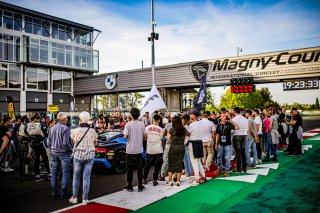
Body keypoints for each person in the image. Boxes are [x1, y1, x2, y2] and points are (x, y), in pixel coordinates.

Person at [69, 111, 98, 205]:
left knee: (76, 177)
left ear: (80, 120)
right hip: (89, 156)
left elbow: (73, 141)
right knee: (86, 178)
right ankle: (85, 199)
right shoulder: (93, 131)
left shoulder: (75, 130)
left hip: (78, 156)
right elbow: (95, 143)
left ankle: (75, 198)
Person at [47, 112, 73, 199]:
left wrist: (52, 149)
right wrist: (71, 149)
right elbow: (66, 143)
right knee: (65, 173)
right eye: (66, 118)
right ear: (63, 119)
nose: (67, 120)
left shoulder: (51, 128)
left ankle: (54, 192)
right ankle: (63, 192)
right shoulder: (65, 128)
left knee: (54, 173)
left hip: (54, 153)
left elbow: (48, 142)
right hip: (63, 153)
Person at [123, 108, 145, 192]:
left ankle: (130, 186)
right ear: (138, 115)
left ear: (131, 115)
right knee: (140, 168)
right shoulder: (142, 124)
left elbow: (125, 136)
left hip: (130, 149)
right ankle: (140, 185)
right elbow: (145, 136)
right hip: (139, 149)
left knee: (129, 168)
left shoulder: (128, 124)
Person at [26, 113, 51, 181]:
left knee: (36, 159)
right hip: (40, 143)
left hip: (33, 143)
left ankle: (37, 175)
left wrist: (32, 137)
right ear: (39, 118)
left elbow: (26, 132)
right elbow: (46, 134)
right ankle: (49, 173)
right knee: (46, 158)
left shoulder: (28, 124)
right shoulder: (41, 124)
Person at [214, 112, 239, 176]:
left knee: (228, 157)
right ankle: (219, 169)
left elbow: (237, 127)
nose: (225, 117)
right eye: (223, 116)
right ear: (220, 118)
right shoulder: (219, 125)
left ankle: (227, 171)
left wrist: (232, 121)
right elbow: (217, 135)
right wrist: (216, 144)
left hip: (228, 143)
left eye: (225, 116)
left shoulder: (229, 124)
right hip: (220, 143)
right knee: (219, 157)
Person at [143, 114, 163, 186]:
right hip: (158, 149)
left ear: (153, 120)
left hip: (150, 149)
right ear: (159, 120)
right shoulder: (161, 129)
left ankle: (144, 179)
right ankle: (154, 180)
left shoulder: (147, 127)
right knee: (157, 166)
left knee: (147, 165)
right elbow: (161, 137)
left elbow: (145, 137)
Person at [188, 109, 206, 185]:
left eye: (190, 114)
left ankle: (197, 178)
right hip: (199, 142)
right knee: (198, 160)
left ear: (193, 115)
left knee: (194, 161)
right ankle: (203, 176)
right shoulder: (202, 123)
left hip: (193, 143)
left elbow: (187, 134)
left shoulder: (192, 124)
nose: (189, 116)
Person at [167, 116, 187, 186]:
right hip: (181, 147)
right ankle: (178, 181)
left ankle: (170, 181)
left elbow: (169, 139)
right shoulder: (184, 129)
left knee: (171, 163)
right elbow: (188, 134)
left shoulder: (172, 129)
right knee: (179, 163)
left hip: (173, 147)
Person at [232, 107, 249, 173]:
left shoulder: (234, 119)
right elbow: (247, 129)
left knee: (238, 153)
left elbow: (233, 129)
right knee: (243, 152)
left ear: (234, 112)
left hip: (237, 135)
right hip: (244, 135)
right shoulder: (245, 119)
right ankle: (244, 168)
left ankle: (239, 168)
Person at [159, 112, 175, 181]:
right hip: (177, 144)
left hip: (169, 144)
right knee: (175, 161)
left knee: (166, 160)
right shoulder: (180, 125)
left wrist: (163, 137)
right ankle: (175, 176)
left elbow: (163, 134)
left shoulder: (168, 125)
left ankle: (162, 175)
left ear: (170, 117)